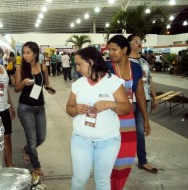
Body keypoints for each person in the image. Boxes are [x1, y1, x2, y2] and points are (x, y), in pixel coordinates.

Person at [66, 46, 131, 190]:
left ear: (90, 62)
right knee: (79, 178)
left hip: (108, 141)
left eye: (78, 64)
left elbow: (126, 108)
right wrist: (76, 109)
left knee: (102, 180)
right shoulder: (78, 84)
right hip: (81, 139)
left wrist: (111, 104)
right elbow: (69, 108)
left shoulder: (113, 82)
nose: (76, 68)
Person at [107, 35, 151, 190]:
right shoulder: (107, 68)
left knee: (127, 154)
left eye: (114, 49)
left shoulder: (136, 68)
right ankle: (110, 185)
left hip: (128, 117)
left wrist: (145, 119)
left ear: (124, 50)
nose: (111, 53)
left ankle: (119, 185)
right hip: (110, 117)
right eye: (109, 49)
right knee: (112, 155)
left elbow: (139, 94)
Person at [14, 41, 55, 178]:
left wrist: (49, 88)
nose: (25, 55)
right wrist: (23, 83)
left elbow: (46, 83)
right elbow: (16, 89)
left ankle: (26, 150)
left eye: (28, 52)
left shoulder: (43, 67)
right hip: (25, 108)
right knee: (32, 140)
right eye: (23, 52)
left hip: (40, 107)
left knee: (41, 138)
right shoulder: (20, 69)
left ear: (35, 53)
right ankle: (36, 167)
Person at [127, 34, 158, 173]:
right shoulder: (125, 61)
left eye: (140, 41)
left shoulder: (144, 61)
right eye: (136, 41)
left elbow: (150, 79)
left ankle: (142, 161)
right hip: (128, 101)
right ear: (129, 44)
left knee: (140, 131)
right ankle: (120, 159)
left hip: (143, 99)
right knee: (124, 131)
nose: (139, 43)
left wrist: (154, 96)